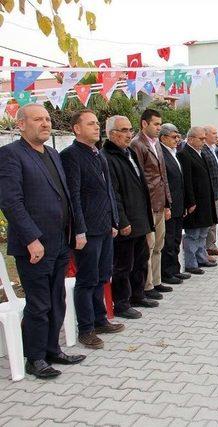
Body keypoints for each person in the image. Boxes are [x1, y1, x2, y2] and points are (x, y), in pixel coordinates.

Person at [0, 104, 85, 379]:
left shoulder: (52, 153)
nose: (46, 123)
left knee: (56, 299)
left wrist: (76, 231)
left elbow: (66, 196)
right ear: (21, 124)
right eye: (38, 119)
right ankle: (34, 358)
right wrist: (31, 239)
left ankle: (52, 349)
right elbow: (11, 201)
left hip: (59, 242)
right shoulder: (10, 155)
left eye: (48, 119)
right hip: (34, 246)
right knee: (39, 303)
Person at [60, 109, 123, 350]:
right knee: (86, 280)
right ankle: (86, 329)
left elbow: (108, 192)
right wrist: (79, 230)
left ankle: (100, 319)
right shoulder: (71, 156)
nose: (97, 127)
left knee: (101, 276)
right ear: (76, 128)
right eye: (90, 124)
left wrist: (114, 222)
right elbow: (73, 196)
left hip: (105, 227)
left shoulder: (98, 154)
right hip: (87, 230)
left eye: (97, 123)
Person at [102, 115, 157, 319]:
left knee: (141, 260)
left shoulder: (130, 152)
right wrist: (122, 221)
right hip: (126, 221)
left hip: (140, 217)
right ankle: (122, 303)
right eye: (124, 130)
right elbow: (113, 193)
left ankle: (137, 294)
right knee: (123, 265)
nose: (128, 134)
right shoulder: (107, 156)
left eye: (129, 130)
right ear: (111, 133)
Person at [130, 109, 172, 301]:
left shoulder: (157, 145)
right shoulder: (137, 144)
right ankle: (146, 286)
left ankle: (156, 281)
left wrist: (167, 203)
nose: (158, 128)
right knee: (148, 246)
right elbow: (138, 178)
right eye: (155, 124)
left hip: (160, 202)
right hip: (148, 204)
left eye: (160, 124)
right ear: (144, 124)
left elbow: (163, 176)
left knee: (158, 246)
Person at [178, 127, 217, 275]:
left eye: (204, 138)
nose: (203, 141)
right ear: (191, 139)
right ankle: (191, 262)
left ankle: (201, 257)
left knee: (202, 232)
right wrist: (190, 202)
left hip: (205, 201)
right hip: (195, 202)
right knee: (193, 234)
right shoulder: (184, 154)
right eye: (201, 139)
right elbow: (187, 181)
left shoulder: (200, 154)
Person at [159, 124, 191, 285]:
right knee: (169, 241)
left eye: (178, 137)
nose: (177, 140)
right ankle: (167, 272)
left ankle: (175, 269)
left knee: (176, 239)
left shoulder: (174, 153)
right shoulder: (161, 154)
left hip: (179, 204)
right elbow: (164, 183)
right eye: (174, 137)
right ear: (163, 137)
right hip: (170, 206)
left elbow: (180, 181)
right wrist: (167, 205)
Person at [202, 125, 218, 258]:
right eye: (214, 133)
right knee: (209, 221)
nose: (216, 136)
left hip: (216, 191)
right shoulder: (204, 150)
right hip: (209, 192)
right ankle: (208, 248)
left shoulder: (212, 149)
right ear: (205, 134)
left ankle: (211, 245)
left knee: (215, 219)